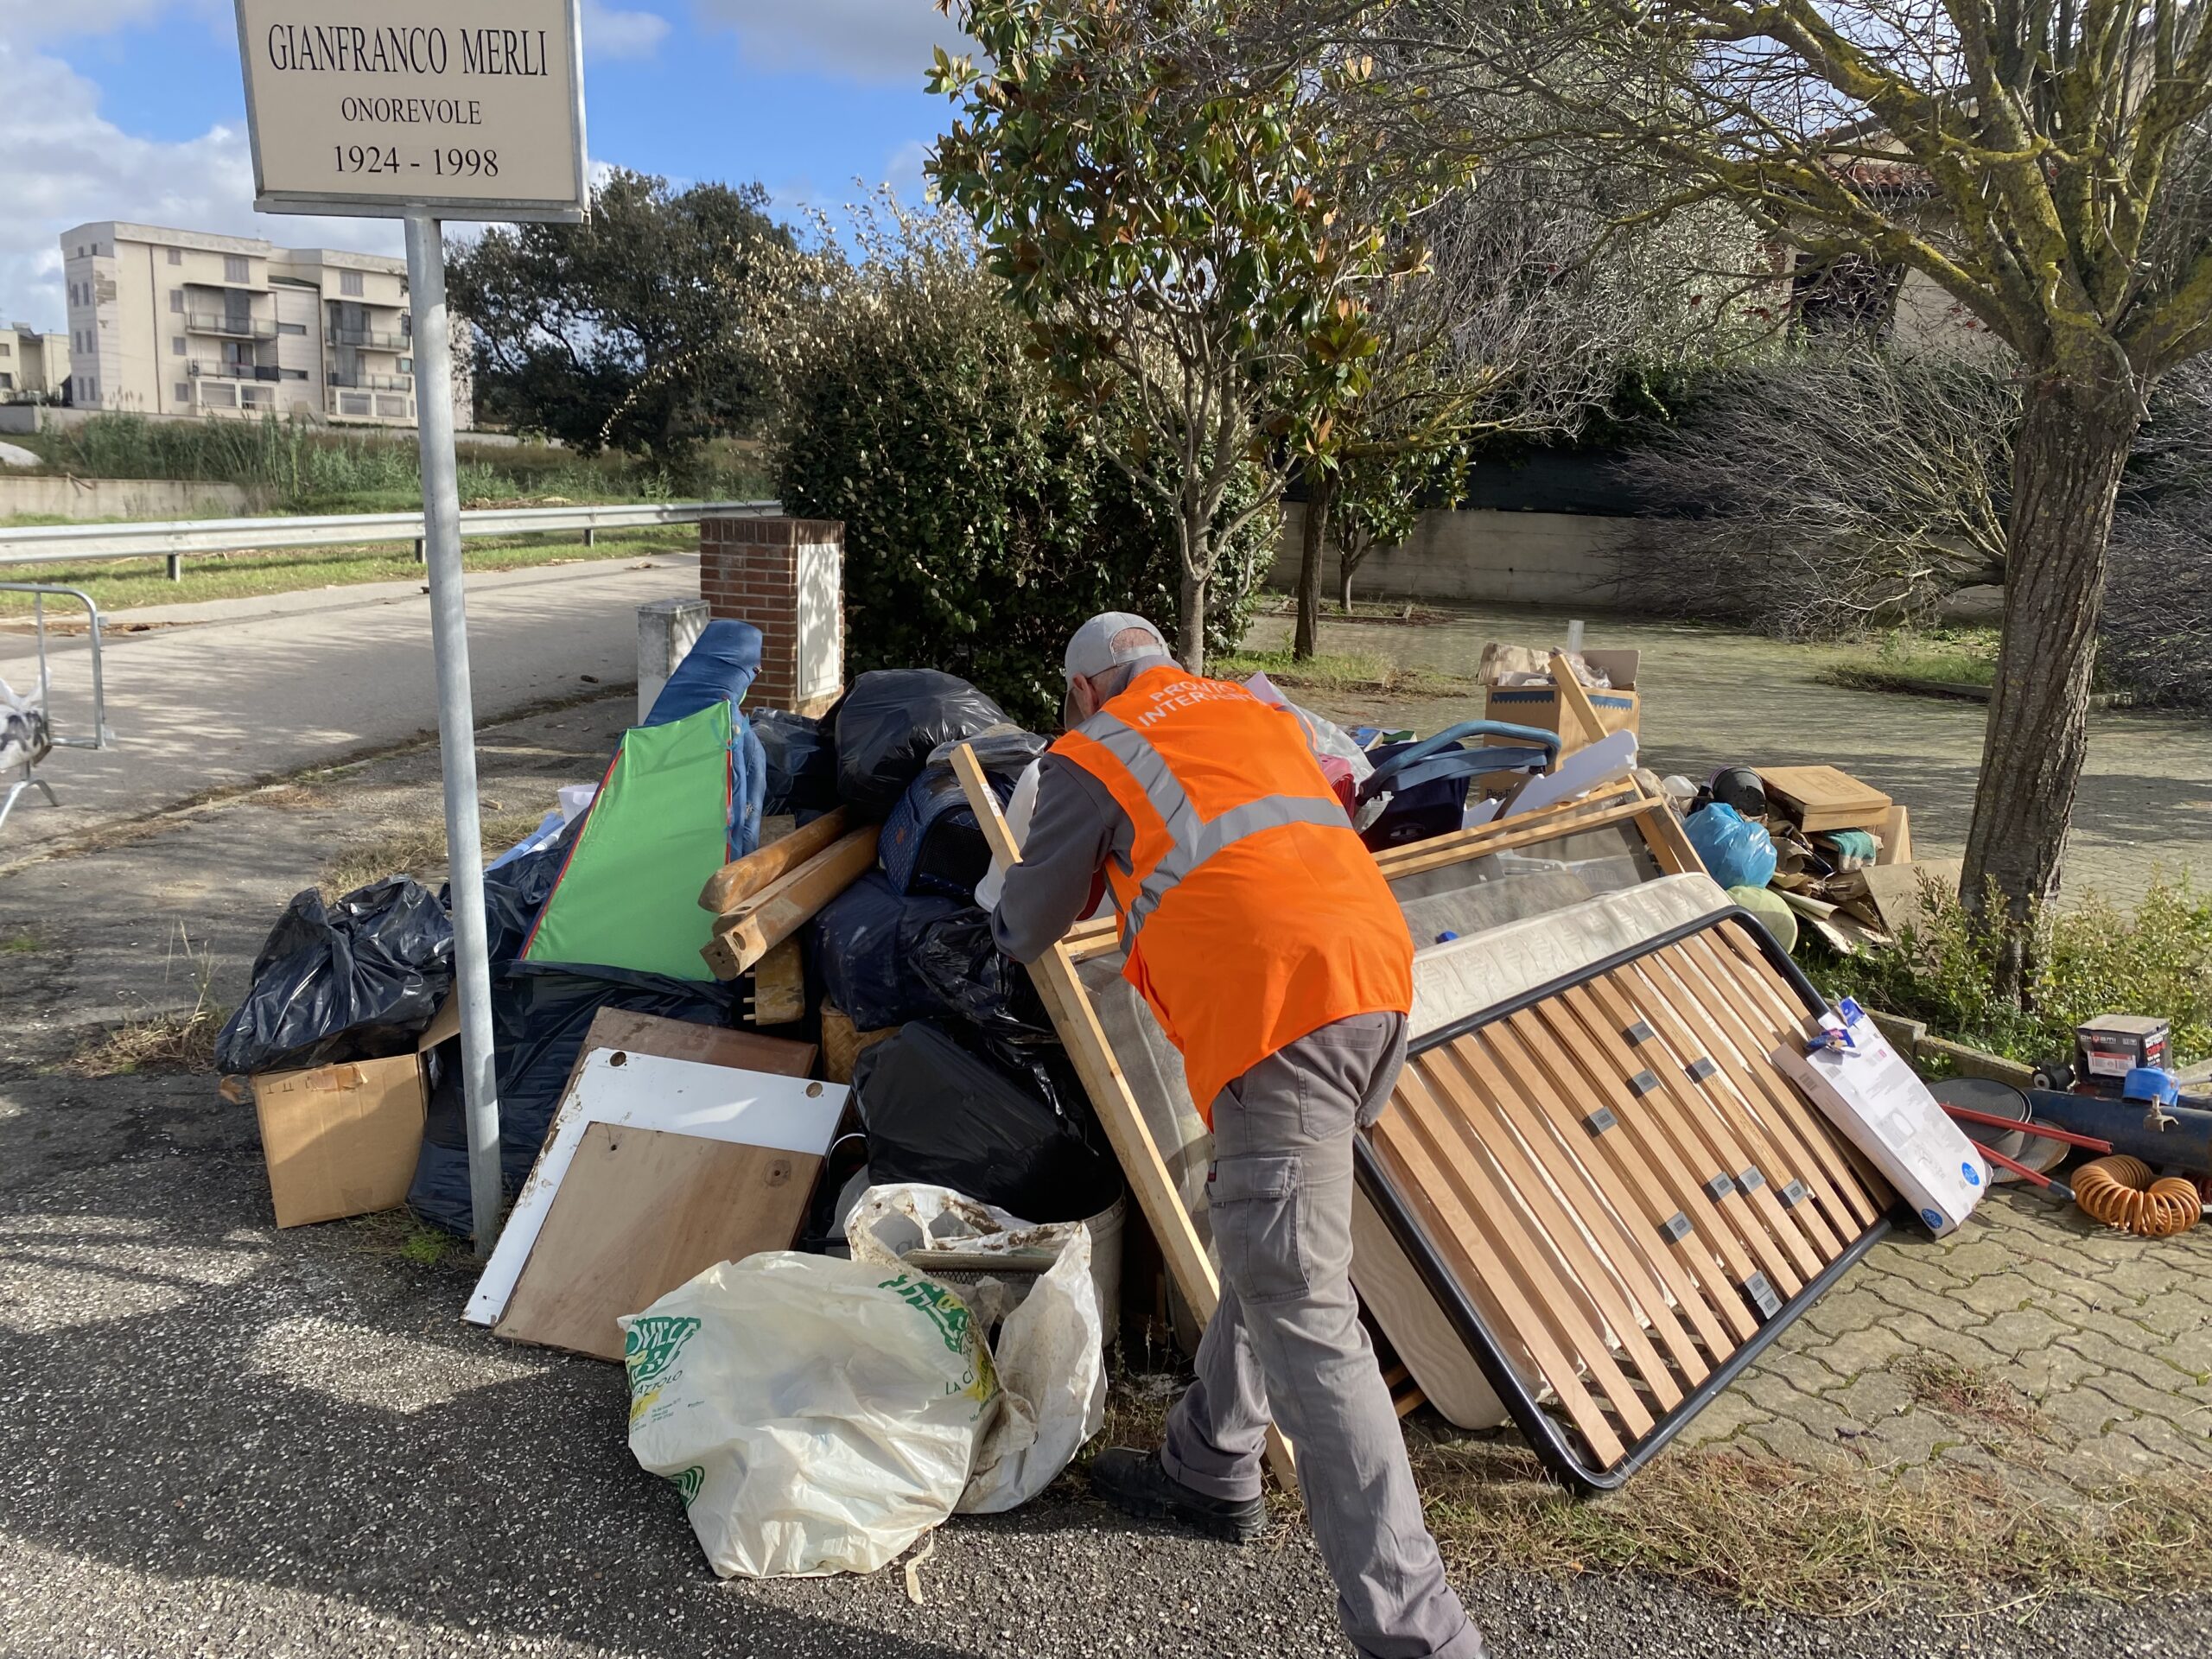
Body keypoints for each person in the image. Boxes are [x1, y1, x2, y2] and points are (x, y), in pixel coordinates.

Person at [988, 613, 1485, 1659]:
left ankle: (1422, 1640)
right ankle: (1208, 1465)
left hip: (1278, 1017)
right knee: (1269, 1250)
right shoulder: (1257, 706)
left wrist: (1009, 905)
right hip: (1375, 988)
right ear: (1162, 663)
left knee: (1303, 1308)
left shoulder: (1093, 751)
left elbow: (1027, 921)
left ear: (1083, 690)